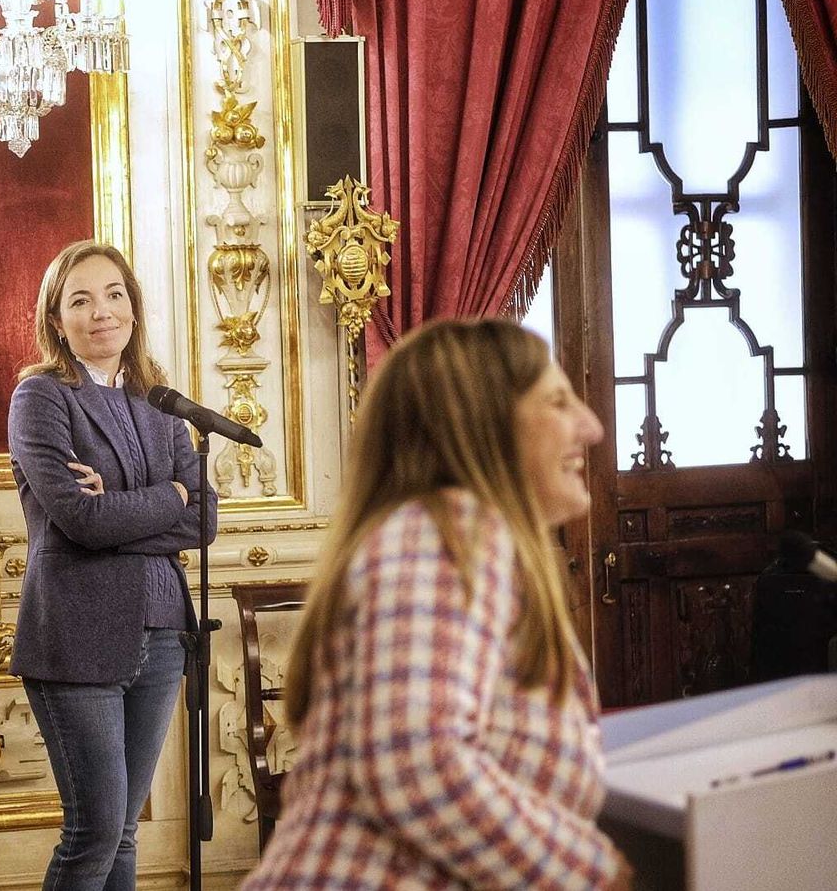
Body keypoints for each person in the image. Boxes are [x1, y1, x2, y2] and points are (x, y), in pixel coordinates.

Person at [242, 319, 633, 890]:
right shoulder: (447, 530)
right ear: (484, 425)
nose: (592, 427)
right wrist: (591, 874)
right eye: (557, 401)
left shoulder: (459, 536)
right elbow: (414, 760)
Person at [8, 240, 218, 891]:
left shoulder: (160, 401)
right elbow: (80, 520)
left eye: (115, 295)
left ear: (134, 308)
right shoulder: (41, 398)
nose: (101, 311)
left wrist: (133, 510)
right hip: (75, 637)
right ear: (56, 320)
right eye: (80, 299)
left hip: (161, 634)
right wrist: (169, 498)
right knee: (93, 831)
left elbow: (203, 518)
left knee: (124, 832)